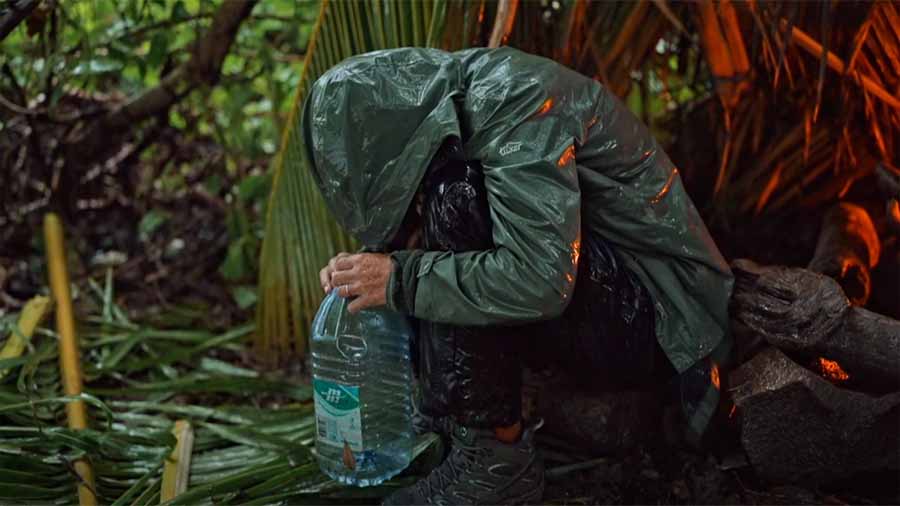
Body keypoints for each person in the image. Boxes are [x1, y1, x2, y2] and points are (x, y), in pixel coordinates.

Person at [308, 47, 733, 505]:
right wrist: (366, 271)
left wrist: (397, 279)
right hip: (598, 301)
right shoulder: (443, 105)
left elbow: (540, 278)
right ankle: (452, 428)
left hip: (660, 320)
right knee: (440, 211)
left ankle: (496, 460)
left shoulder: (514, 100)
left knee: (457, 200)